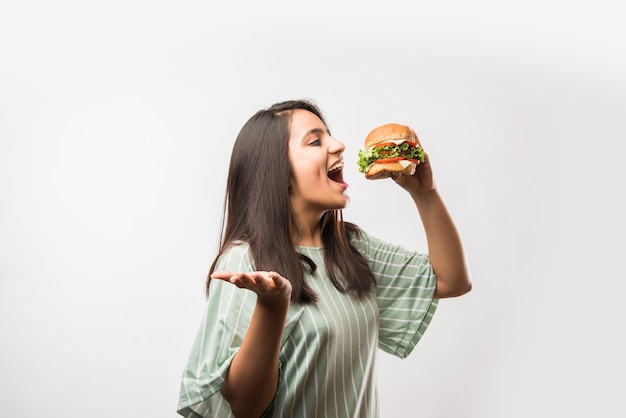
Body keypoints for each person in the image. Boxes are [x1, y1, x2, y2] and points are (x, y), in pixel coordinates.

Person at [176, 99, 472, 418]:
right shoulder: (244, 261)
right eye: (316, 141)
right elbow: (245, 406)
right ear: (279, 171)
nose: (339, 144)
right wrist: (272, 306)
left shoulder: (350, 247)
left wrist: (425, 193)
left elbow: (450, 280)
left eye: (329, 135)